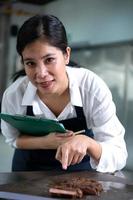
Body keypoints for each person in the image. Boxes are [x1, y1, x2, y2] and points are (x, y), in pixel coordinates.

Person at [1, 14, 127, 172]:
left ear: (66, 55)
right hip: (28, 170)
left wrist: (88, 143)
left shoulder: (90, 88)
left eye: (49, 60)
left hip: (80, 170)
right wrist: (46, 142)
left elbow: (119, 153)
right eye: (30, 63)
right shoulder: (14, 94)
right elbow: (12, 138)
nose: (41, 73)